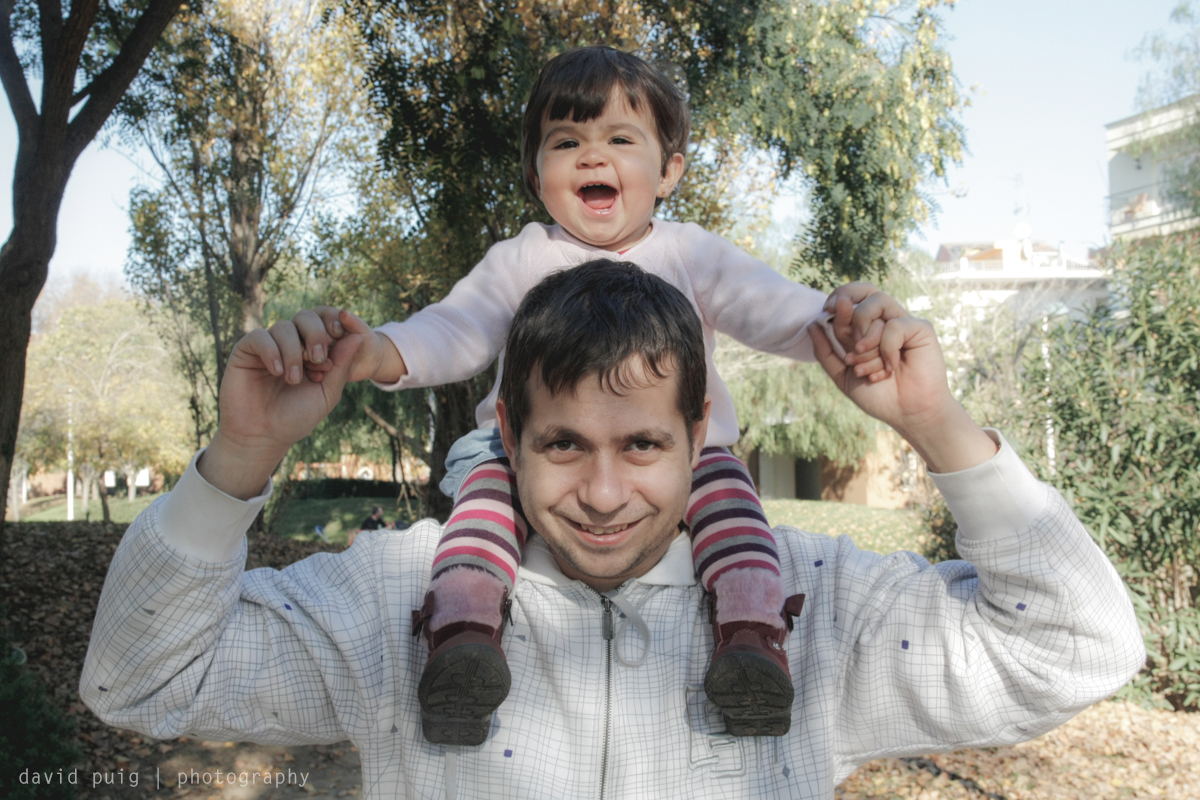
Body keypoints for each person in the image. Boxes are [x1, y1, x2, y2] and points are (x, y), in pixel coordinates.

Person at [82, 261, 1144, 800]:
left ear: (699, 432)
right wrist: (241, 458)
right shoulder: (393, 600)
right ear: (507, 435)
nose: (600, 492)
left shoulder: (817, 609)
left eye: (641, 444)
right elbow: (143, 681)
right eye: (562, 444)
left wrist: (937, 426)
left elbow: (1077, 647)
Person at [294, 45, 884, 744]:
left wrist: (838, 323)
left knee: (736, 518)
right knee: (483, 509)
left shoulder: (690, 253)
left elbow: (768, 304)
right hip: (527, 452)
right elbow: (456, 328)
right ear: (536, 173)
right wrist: (379, 352)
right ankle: (462, 640)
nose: (591, 156)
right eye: (566, 141)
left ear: (669, 171)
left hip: (679, 454)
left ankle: (751, 641)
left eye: (620, 140)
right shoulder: (524, 258)